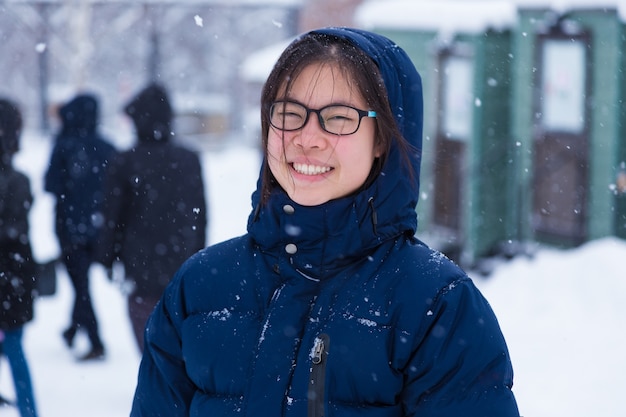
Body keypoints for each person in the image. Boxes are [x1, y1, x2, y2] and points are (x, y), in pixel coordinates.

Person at [130, 28, 520, 417]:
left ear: (383, 137)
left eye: (337, 117)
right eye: (289, 113)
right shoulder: (200, 286)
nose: (307, 137)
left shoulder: (436, 304)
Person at [95, 83, 207, 353]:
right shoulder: (188, 159)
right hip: (183, 262)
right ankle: (174, 390)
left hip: (140, 264)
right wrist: (200, 256)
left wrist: (107, 256)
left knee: (148, 341)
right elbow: (201, 215)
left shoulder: (125, 161)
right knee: (178, 339)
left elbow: (113, 217)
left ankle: (157, 388)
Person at [45, 93, 117, 361]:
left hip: (69, 227)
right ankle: (74, 328)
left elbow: (51, 185)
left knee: (80, 285)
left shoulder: (64, 145)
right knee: (82, 284)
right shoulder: (108, 147)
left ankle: (96, 341)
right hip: (101, 228)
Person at [0, 98, 40, 417]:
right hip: (12, 278)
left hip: (10, 276)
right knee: (14, 347)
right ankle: (29, 412)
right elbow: (17, 234)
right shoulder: (19, 181)